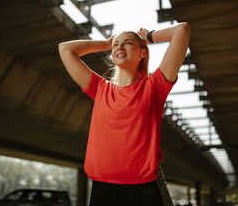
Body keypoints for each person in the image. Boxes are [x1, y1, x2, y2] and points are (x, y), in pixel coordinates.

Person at [58, 23, 190, 206]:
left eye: (127, 43)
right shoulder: (100, 88)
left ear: (142, 53)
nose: (119, 47)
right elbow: (65, 49)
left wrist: (149, 36)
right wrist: (106, 43)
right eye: (116, 45)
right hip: (103, 189)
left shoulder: (154, 87)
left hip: (145, 188)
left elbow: (182, 30)